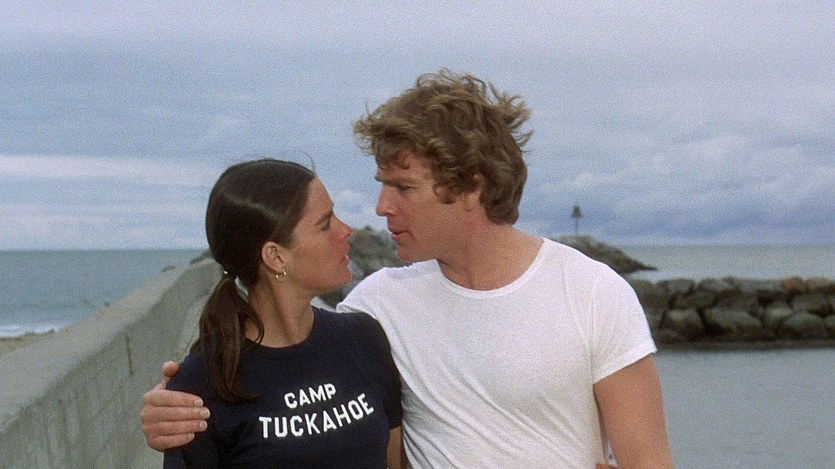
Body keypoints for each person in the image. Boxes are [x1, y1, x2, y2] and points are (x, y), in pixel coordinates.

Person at [141, 71, 673, 468]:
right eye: (382, 185)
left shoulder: (592, 292)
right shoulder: (377, 308)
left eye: (402, 187)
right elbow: (281, 353)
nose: (380, 208)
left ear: (470, 187)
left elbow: (649, 461)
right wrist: (173, 408)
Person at [153, 159, 403, 468]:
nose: (345, 230)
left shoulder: (364, 338)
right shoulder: (203, 385)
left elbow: (395, 461)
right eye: (325, 224)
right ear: (275, 256)